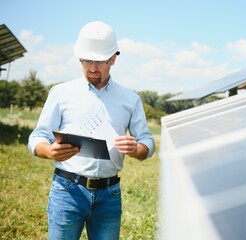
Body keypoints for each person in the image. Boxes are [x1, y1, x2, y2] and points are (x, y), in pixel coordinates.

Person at [28, 21, 155, 240]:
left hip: (109, 195)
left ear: (113, 59)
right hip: (67, 191)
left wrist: (137, 149)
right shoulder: (61, 93)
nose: (92, 68)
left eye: (100, 62)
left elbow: (147, 142)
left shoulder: (130, 100)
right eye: (87, 61)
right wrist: (48, 151)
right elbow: (37, 136)